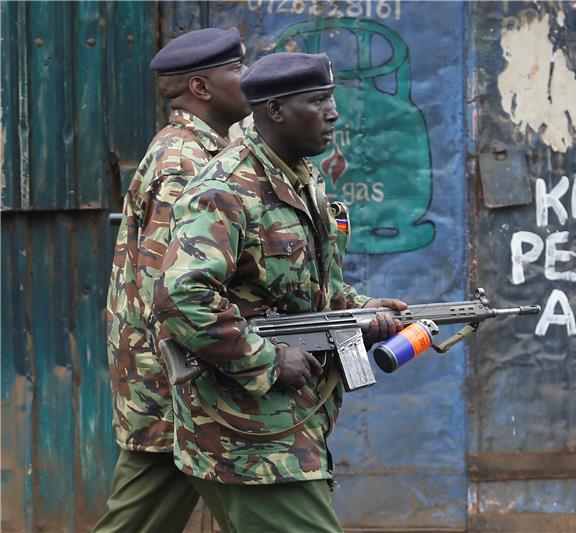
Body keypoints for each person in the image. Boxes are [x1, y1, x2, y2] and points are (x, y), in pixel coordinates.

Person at [152, 51, 406, 532]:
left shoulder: (302, 179)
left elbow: (309, 291)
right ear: (274, 111)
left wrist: (358, 310)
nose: (333, 113)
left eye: (331, 99)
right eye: (318, 101)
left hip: (284, 423)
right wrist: (266, 359)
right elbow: (182, 298)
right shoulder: (225, 189)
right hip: (248, 430)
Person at [96, 27, 251, 533]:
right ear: (203, 88)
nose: (248, 79)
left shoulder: (200, 150)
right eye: (237, 69)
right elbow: (174, 284)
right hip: (176, 377)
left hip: (178, 375)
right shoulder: (184, 160)